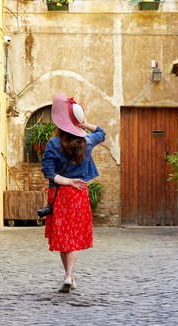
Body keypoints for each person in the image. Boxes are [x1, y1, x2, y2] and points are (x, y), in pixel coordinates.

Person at [41, 92, 105, 293]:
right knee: (74, 236)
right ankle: (69, 275)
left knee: (63, 237)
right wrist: (84, 124)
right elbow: (102, 132)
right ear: (76, 123)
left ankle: (68, 275)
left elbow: (48, 173)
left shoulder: (53, 143)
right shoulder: (88, 141)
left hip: (60, 194)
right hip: (79, 194)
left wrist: (67, 181)